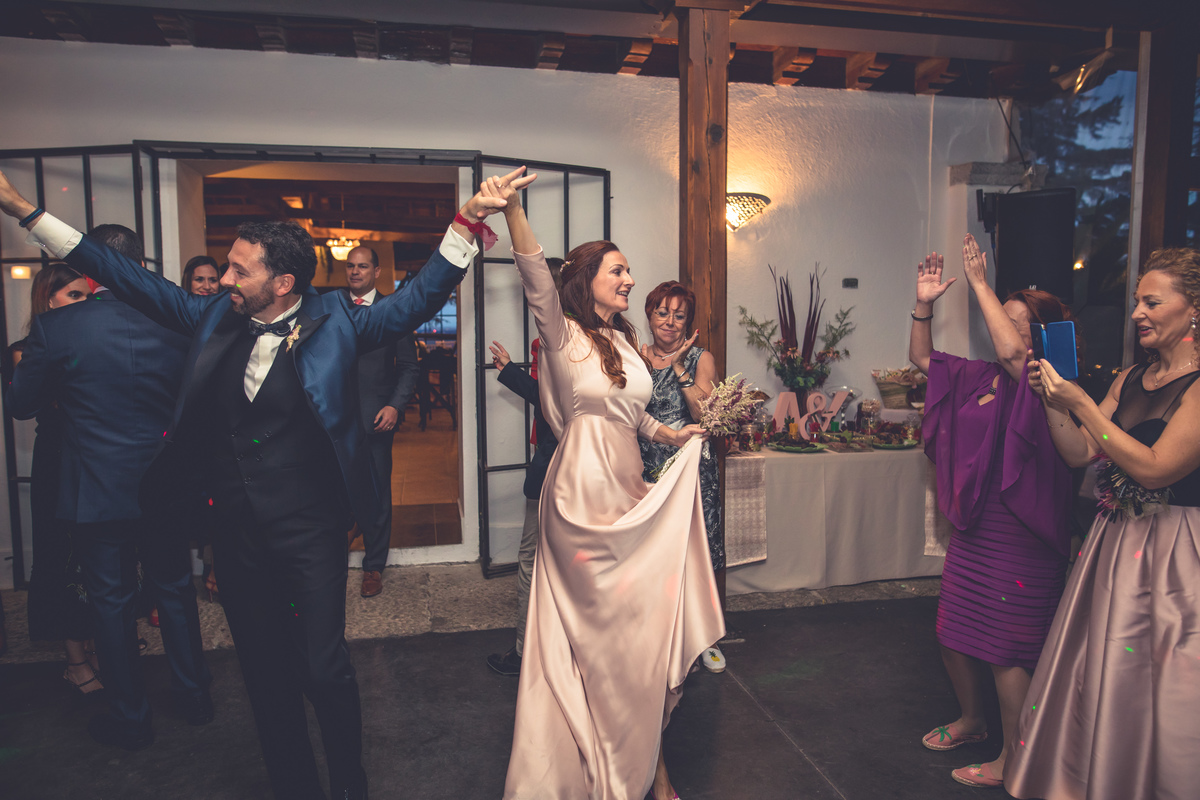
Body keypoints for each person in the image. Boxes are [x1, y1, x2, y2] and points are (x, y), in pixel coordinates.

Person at [0, 166, 511, 800]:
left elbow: (420, 297)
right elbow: (123, 275)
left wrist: (468, 220)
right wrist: (25, 210)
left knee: (323, 668)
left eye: (239, 270)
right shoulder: (213, 316)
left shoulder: (340, 320)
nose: (224, 278)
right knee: (264, 675)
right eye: (227, 266)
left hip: (310, 530)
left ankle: (349, 784)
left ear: (283, 283)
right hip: (235, 534)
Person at [490, 168, 723, 800]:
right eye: (618, 270)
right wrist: (512, 210)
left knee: (635, 636)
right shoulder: (560, 330)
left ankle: (645, 762)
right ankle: (613, 766)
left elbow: (632, 415)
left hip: (628, 486)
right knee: (596, 638)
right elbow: (534, 272)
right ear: (587, 279)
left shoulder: (624, 338)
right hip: (579, 497)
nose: (630, 279)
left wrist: (673, 435)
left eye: (628, 270)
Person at [5, 225, 210, 752]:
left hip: (97, 487)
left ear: (89, 267)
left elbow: (21, 404)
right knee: (174, 590)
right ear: (138, 264)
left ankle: (131, 718)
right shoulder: (180, 321)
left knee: (111, 603)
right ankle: (194, 698)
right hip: (165, 482)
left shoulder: (58, 327)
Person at [1008, 246, 1200, 800]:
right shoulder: (1131, 378)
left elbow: (1157, 468)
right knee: (1110, 665)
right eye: (1137, 301)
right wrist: (1054, 401)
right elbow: (1079, 452)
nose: (1137, 312)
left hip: (1179, 552)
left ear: (1194, 309)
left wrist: (1084, 404)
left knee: (1171, 674)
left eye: (1151, 302)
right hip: (1117, 543)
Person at [909, 235, 1074, 789]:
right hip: (978, 523)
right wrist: (923, 307)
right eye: (1001, 317)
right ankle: (973, 720)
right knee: (953, 632)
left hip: (1025, 533)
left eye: (1016, 321)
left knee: (1007, 650)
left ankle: (1016, 758)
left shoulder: (1055, 385)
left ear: (1041, 335)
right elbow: (923, 360)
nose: (1001, 326)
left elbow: (1014, 357)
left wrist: (980, 282)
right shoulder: (984, 377)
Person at [4, 264, 99, 693]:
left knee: (92, 554)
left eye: (87, 296)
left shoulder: (92, 340)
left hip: (92, 458)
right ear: (48, 299)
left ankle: (95, 642)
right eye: (74, 296)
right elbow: (23, 405)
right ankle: (75, 661)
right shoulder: (24, 350)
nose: (83, 303)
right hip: (56, 461)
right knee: (59, 554)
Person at [639, 281, 726, 672]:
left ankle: (706, 639)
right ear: (650, 315)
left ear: (688, 322)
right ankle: (660, 636)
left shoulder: (701, 359)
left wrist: (679, 369)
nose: (670, 322)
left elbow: (707, 416)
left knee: (697, 553)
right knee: (654, 554)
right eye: (663, 313)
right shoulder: (636, 356)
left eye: (679, 315)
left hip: (691, 469)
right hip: (646, 468)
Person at [484, 257, 561, 677]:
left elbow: (553, 405)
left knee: (531, 557)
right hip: (574, 459)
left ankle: (525, 652)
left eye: (532, 288)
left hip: (555, 462)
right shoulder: (587, 335)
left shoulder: (557, 340)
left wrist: (511, 374)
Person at [342, 244, 420, 598]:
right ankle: (345, 534)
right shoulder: (333, 308)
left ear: (376, 271)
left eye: (362, 266)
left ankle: (373, 565)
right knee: (336, 488)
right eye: (350, 266)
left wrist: (394, 406)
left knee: (377, 493)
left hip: (376, 419)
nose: (355, 271)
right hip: (335, 420)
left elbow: (408, 367)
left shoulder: (393, 311)